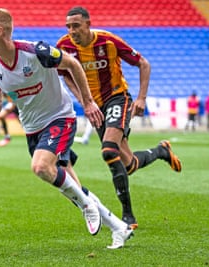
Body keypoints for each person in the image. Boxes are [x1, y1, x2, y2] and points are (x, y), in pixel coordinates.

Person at [0, 8, 133, 249]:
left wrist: (88, 102)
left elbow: (72, 64)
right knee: (69, 184)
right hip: (32, 129)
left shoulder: (35, 51)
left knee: (41, 167)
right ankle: (118, 227)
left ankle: (86, 206)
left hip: (60, 118)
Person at [56, 6, 182, 229]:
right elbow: (65, 75)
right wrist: (85, 101)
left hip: (117, 98)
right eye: (68, 26)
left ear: (88, 23)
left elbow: (144, 63)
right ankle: (162, 151)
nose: (71, 30)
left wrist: (141, 98)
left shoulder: (108, 41)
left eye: (76, 25)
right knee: (129, 164)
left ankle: (128, 217)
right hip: (95, 107)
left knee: (108, 151)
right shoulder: (64, 46)